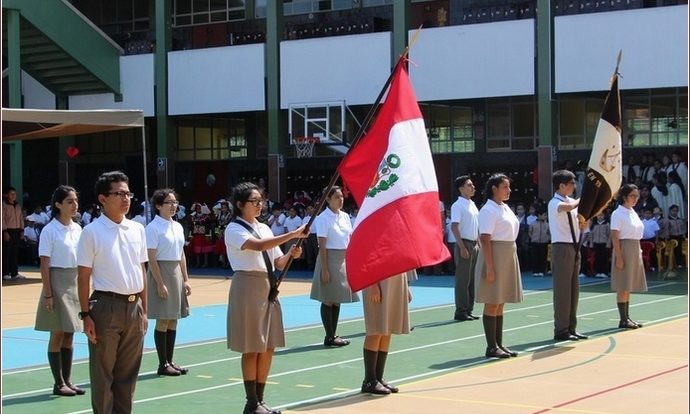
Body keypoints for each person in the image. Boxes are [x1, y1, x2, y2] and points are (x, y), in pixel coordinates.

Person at [224, 182, 306, 414]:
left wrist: (291, 253)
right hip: (248, 287)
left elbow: (278, 262)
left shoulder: (265, 227)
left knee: (268, 347)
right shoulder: (234, 229)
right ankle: (251, 402)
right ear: (240, 205)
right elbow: (259, 247)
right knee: (252, 347)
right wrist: (293, 234)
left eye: (262, 201)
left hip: (267, 287)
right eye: (254, 201)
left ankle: (260, 400)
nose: (260, 205)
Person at [77, 171, 148, 414]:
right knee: (103, 374)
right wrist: (85, 315)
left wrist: (144, 311)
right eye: (119, 194)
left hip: (134, 307)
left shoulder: (137, 229)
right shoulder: (92, 232)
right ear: (102, 198)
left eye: (128, 193)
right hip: (106, 305)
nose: (125, 198)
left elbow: (141, 270)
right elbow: (84, 276)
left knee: (127, 376)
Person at [34, 185, 85, 397]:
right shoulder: (50, 230)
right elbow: (44, 264)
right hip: (56, 281)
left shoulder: (78, 228)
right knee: (57, 332)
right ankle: (58, 382)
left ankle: (68, 380)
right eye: (69, 202)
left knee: (70, 332)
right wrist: (48, 293)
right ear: (58, 204)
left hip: (74, 280)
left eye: (75, 201)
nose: (74, 205)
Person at [475, 173, 523, 359]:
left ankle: (499, 343)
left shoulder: (503, 207)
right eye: (505, 187)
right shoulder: (488, 210)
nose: (509, 190)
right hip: (495, 254)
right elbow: (485, 239)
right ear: (494, 188)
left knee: (500, 302)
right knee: (492, 301)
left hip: (507, 253)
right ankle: (491, 346)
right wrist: (490, 266)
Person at [146, 189, 192, 377]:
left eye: (175, 202)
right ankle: (162, 363)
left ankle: (170, 360)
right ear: (158, 206)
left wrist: (186, 279)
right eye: (168, 203)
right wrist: (159, 282)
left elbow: (181, 254)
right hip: (161, 272)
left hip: (175, 273)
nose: (173, 206)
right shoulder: (153, 228)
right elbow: (151, 257)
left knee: (173, 318)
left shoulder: (177, 226)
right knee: (163, 318)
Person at [310, 186, 360, 347]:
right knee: (328, 299)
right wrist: (324, 269)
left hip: (343, 258)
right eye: (337, 197)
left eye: (341, 196)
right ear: (328, 199)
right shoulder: (323, 218)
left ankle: (333, 334)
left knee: (337, 298)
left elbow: (350, 239)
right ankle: (329, 335)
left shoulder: (345, 216)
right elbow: (322, 245)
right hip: (329, 258)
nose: (341, 199)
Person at [548, 170, 588, 341]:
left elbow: (580, 219)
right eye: (571, 183)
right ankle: (561, 328)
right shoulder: (554, 202)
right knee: (563, 289)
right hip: (562, 246)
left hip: (574, 245)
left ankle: (571, 327)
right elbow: (568, 208)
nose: (574, 186)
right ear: (561, 185)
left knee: (574, 289)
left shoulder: (572, 201)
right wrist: (585, 198)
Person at [360, 271, 415, 395]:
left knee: (387, 330)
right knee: (376, 329)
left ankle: (378, 378)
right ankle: (369, 380)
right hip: (377, 281)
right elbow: (368, 259)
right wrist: (373, 285)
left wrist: (405, 286)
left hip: (395, 280)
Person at [610, 184, 647, 329]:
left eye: (637, 196)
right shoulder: (618, 213)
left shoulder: (632, 212)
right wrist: (619, 256)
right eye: (632, 195)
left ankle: (627, 317)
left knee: (629, 285)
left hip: (634, 247)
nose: (635, 198)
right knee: (623, 285)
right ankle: (623, 319)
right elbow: (615, 237)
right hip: (624, 248)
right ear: (624, 197)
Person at [449, 175, 480, 321]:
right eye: (469, 185)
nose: (473, 187)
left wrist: (479, 243)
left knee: (472, 279)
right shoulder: (458, 205)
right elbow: (454, 226)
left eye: (472, 185)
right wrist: (461, 247)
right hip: (465, 243)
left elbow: (476, 226)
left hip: (474, 243)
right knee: (463, 280)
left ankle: (469, 309)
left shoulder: (472, 204)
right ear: (461, 188)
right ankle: (460, 311)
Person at [3, 186, 25, 280]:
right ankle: (5, 272)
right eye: (11, 194)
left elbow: (21, 218)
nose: (13, 196)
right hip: (8, 230)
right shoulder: (4, 205)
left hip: (16, 230)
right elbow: (2, 219)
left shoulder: (17, 205)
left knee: (14, 253)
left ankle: (14, 272)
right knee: (6, 252)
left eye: (14, 194)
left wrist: (22, 230)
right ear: (7, 195)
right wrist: (4, 231)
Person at [528, 209, 550, 277]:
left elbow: (549, 233)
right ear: (539, 215)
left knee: (543, 257)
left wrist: (547, 238)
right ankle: (535, 271)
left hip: (544, 243)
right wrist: (532, 238)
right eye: (544, 215)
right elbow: (530, 232)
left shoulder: (547, 224)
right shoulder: (532, 223)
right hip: (535, 242)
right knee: (535, 257)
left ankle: (542, 271)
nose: (545, 216)